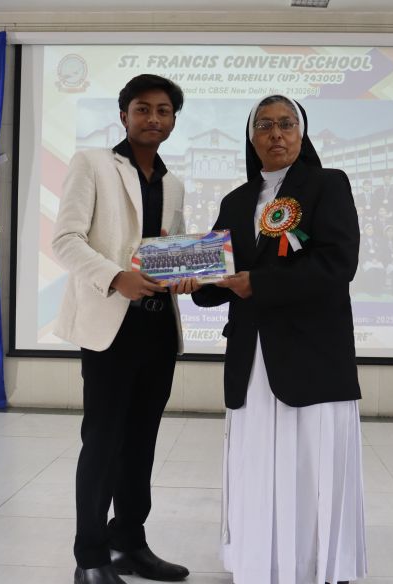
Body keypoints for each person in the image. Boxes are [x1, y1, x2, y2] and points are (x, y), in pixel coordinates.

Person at [191, 95, 366, 584]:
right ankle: (259, 562)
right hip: (252, 358)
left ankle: (316, 566)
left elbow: (338, 264)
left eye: (286, 124)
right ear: (251, 138)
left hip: (312, 356)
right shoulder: (236, 200)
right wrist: (189, 274)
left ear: (301, 133)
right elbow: (218, 278)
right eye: (265, 125)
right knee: (257, 464)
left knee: (311, 464)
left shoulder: (328, 185)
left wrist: (260, 284)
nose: (276, 134)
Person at [52, 74, 196, 584]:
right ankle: (90, 557)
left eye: (163, 111)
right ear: (123, 115)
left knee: (141, 443)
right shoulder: (92, 163)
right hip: (110, 327)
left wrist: (186, 273)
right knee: (103, 443)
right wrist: (117, 277)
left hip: (158, 330)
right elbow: (65, 240)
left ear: (173, 120)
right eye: (142, 109)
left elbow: (171, 249)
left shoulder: (173, 182)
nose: (153, 118)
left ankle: (129, 542)